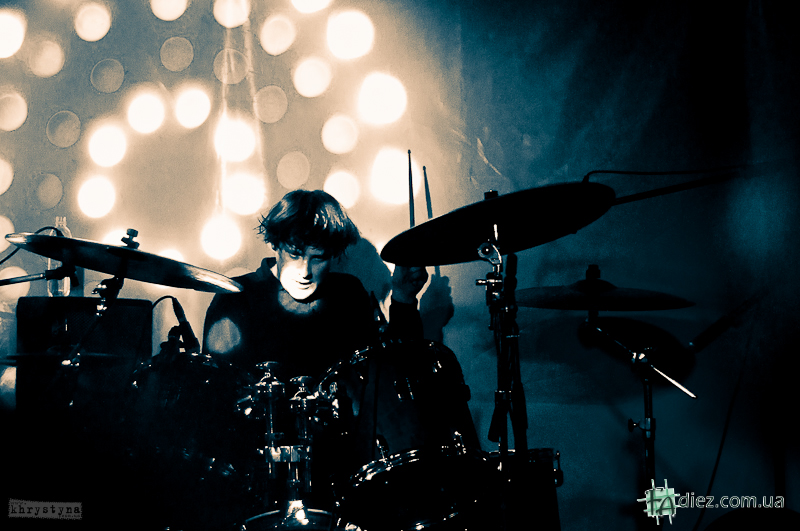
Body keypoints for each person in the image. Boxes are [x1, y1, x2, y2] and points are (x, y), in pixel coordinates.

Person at [202, 188, 428, 381]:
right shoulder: (236, 297)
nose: (305, 272)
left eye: (318, 258)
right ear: (275, 245)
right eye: (295, 254)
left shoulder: (348, 293)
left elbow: (391, 374)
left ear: (333, 255)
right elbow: (215, 390)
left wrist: (403, 298)